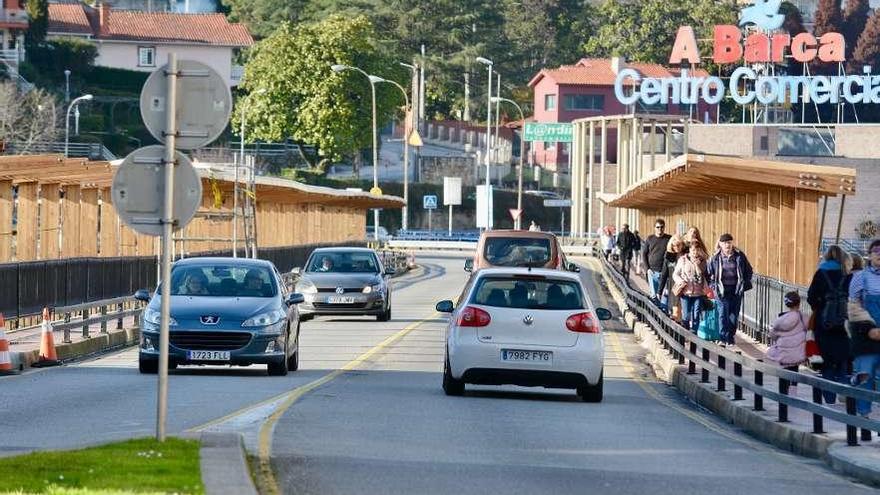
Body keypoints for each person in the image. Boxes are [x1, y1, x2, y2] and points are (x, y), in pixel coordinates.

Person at [807, 245, 852, 404]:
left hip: (823, 323)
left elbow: (811, 297)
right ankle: (844, 392)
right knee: (842, 359)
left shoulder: (820, 273)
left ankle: (830, 398)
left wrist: (820, 307)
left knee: (826, 361)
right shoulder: (847, 275)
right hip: (844, 325)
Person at [849, 239, 880, 416]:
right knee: (865, 377)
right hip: (867, 338)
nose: (879, 254)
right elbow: (853, 308)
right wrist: (869, 328)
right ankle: (863, 420)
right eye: (876, 250)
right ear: (869, 254)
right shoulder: (860, 278)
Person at [707, 233, 754, 346]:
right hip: (721, 290)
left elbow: (749, 270)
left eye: (729, 242)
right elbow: (708, 273)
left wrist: (745, 282)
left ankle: (730, 336)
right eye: (724, 243)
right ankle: (723, 338)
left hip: (736, 289)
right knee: (723, 313)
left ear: (732, 243)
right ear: (720, 244)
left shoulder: (739, 256)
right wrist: (713, 285)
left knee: (733, 315)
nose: (727, 245)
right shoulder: (716, 258)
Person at [673, 228, 709, 332]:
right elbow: (676, 274)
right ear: (689, 250)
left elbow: (702, 276)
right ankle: (686, 334)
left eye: (697, 250)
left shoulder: (702, 261)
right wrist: (680, 281)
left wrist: (698, 266)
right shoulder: (683, 260)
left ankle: (694, 335)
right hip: (686, 292)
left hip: (698, 293)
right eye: (693, 250)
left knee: (696, 315)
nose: (695, 252)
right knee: (686, 315)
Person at [767, 292, 807, 383]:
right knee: (794, 374)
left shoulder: (782, 318)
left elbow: (773, 334)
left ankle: (783, 393)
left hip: (784, 351)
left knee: (784, 373)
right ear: (799, 303)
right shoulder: (802, 318)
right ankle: (793, 394)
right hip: (797, 351)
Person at [642, 218, 672, 302]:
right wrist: (647, 269)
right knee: (654, 295)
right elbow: (644, 254)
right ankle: (655, 314)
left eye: (662, 227)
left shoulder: (669, 239)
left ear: (664, 227)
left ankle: (663, 312)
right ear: (654, 228)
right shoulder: (650, 239)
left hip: (665, 272)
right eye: (658, 227)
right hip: (652, 271)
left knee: (664, 295)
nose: (660, 229)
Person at [659, 234, 685, 319]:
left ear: (681, 244)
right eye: (674, 245)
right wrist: (660, 291)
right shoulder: (669, 256)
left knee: (684, 313)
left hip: (686, 286)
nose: (676, 247)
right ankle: (676, 330)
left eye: (678, 245)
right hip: (674, 286)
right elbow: (664, 274)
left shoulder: (686, 255)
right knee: (676, 311)